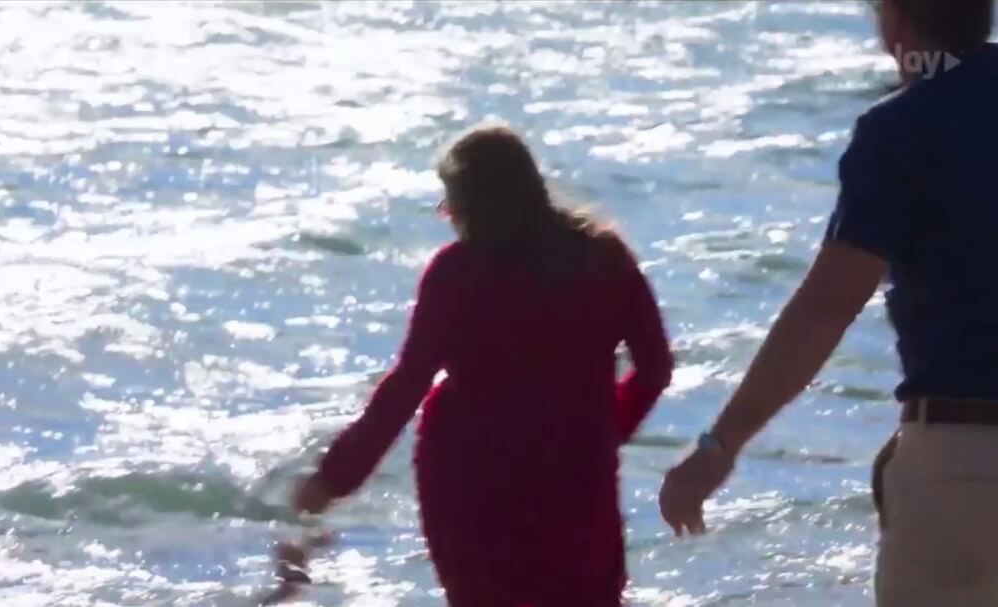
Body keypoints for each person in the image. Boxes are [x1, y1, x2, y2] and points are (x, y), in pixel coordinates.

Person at [657, 0, 998, 605]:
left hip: (962, 464)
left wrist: (720, 446)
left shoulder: (901, 129)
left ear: (895, 20)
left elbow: (827, 307)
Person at [290, 124, 673, 606]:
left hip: (469, 482)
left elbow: (406, 388)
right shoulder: (605, 260)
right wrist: (603, 429)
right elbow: (655, 368)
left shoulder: (456, 273)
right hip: (576, 478)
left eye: (450, 202)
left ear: (473, 204)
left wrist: (333, 479)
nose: (447, 214)